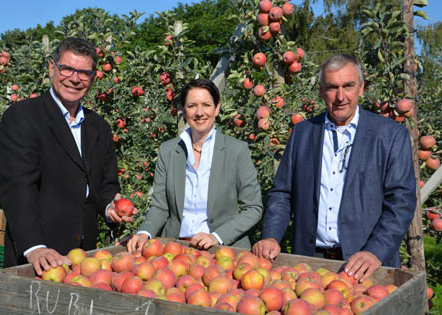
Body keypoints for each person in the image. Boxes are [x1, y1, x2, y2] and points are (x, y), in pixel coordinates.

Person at [252, 54, 416, 282]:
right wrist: (271, 236)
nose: (340, 97)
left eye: (348, 86)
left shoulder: (389, 135)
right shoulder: (303, 133)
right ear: (321, 91)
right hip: (310, 262)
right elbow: (282, 193)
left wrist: (375, 251)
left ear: (361, 88)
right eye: (332, 87)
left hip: (365, 264)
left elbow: (401, 200)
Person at [0, 37, 128, 275]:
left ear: (93, 77)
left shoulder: (99, 127)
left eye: (84, 73)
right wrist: (34, 246)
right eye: (67, 69)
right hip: (38, 258)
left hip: (84, 259)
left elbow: (106, 184)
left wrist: (110, 207)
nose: (75, 78)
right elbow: (18, 187)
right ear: (52, 68)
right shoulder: (23, 117)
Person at [127, 79, 263, 253]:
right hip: (175, 248)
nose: (199, 112)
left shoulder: (236, 150)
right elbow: (160, 206)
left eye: (206, 105)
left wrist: (217, 236)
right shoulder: (168, 151)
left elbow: (253, 208)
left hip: (224, 249)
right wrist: (145, 232)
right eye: (192, 106)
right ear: (183, 110)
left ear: (217, 108)